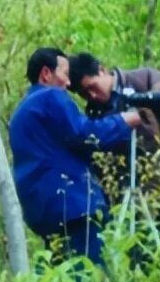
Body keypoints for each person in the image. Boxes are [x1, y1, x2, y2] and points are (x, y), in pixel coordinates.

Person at [8, 48, 141, 269]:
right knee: (91, 277)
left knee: (62, 278)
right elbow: (84, 135)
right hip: (74, 206)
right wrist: (124, 120)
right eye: (65, 73)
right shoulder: (50, 96)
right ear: (46, 74)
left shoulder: (21, 113)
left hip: (41, 210)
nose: (69, 83)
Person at [67, 52, 160, 222]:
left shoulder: (146, 80)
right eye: (84, 94)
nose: (91, 96)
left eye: (92, 87)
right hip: (133, 205)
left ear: (102, 70)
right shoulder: (95, 115)